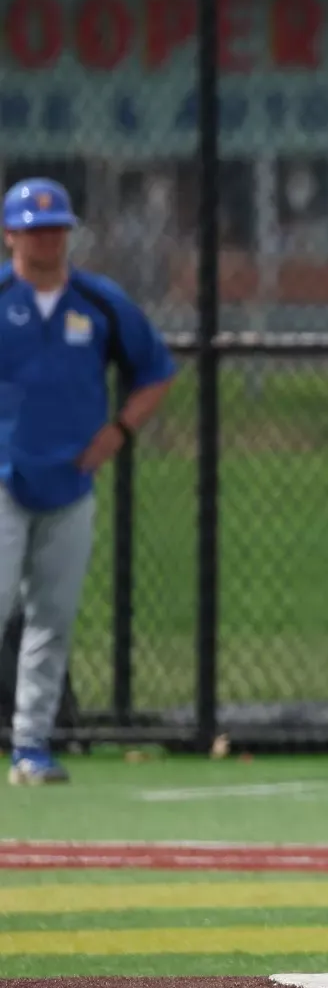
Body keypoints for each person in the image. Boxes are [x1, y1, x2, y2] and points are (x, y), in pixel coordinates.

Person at [1, 179, 177, 786]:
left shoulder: (97, 302)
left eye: (55, 227)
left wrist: (119, 432)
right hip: (5, 476)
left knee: (52, 615)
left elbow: (155, 371)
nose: (45, 238)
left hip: (73, 481)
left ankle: (30, 745)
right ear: (10, 235)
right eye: (32, 228)